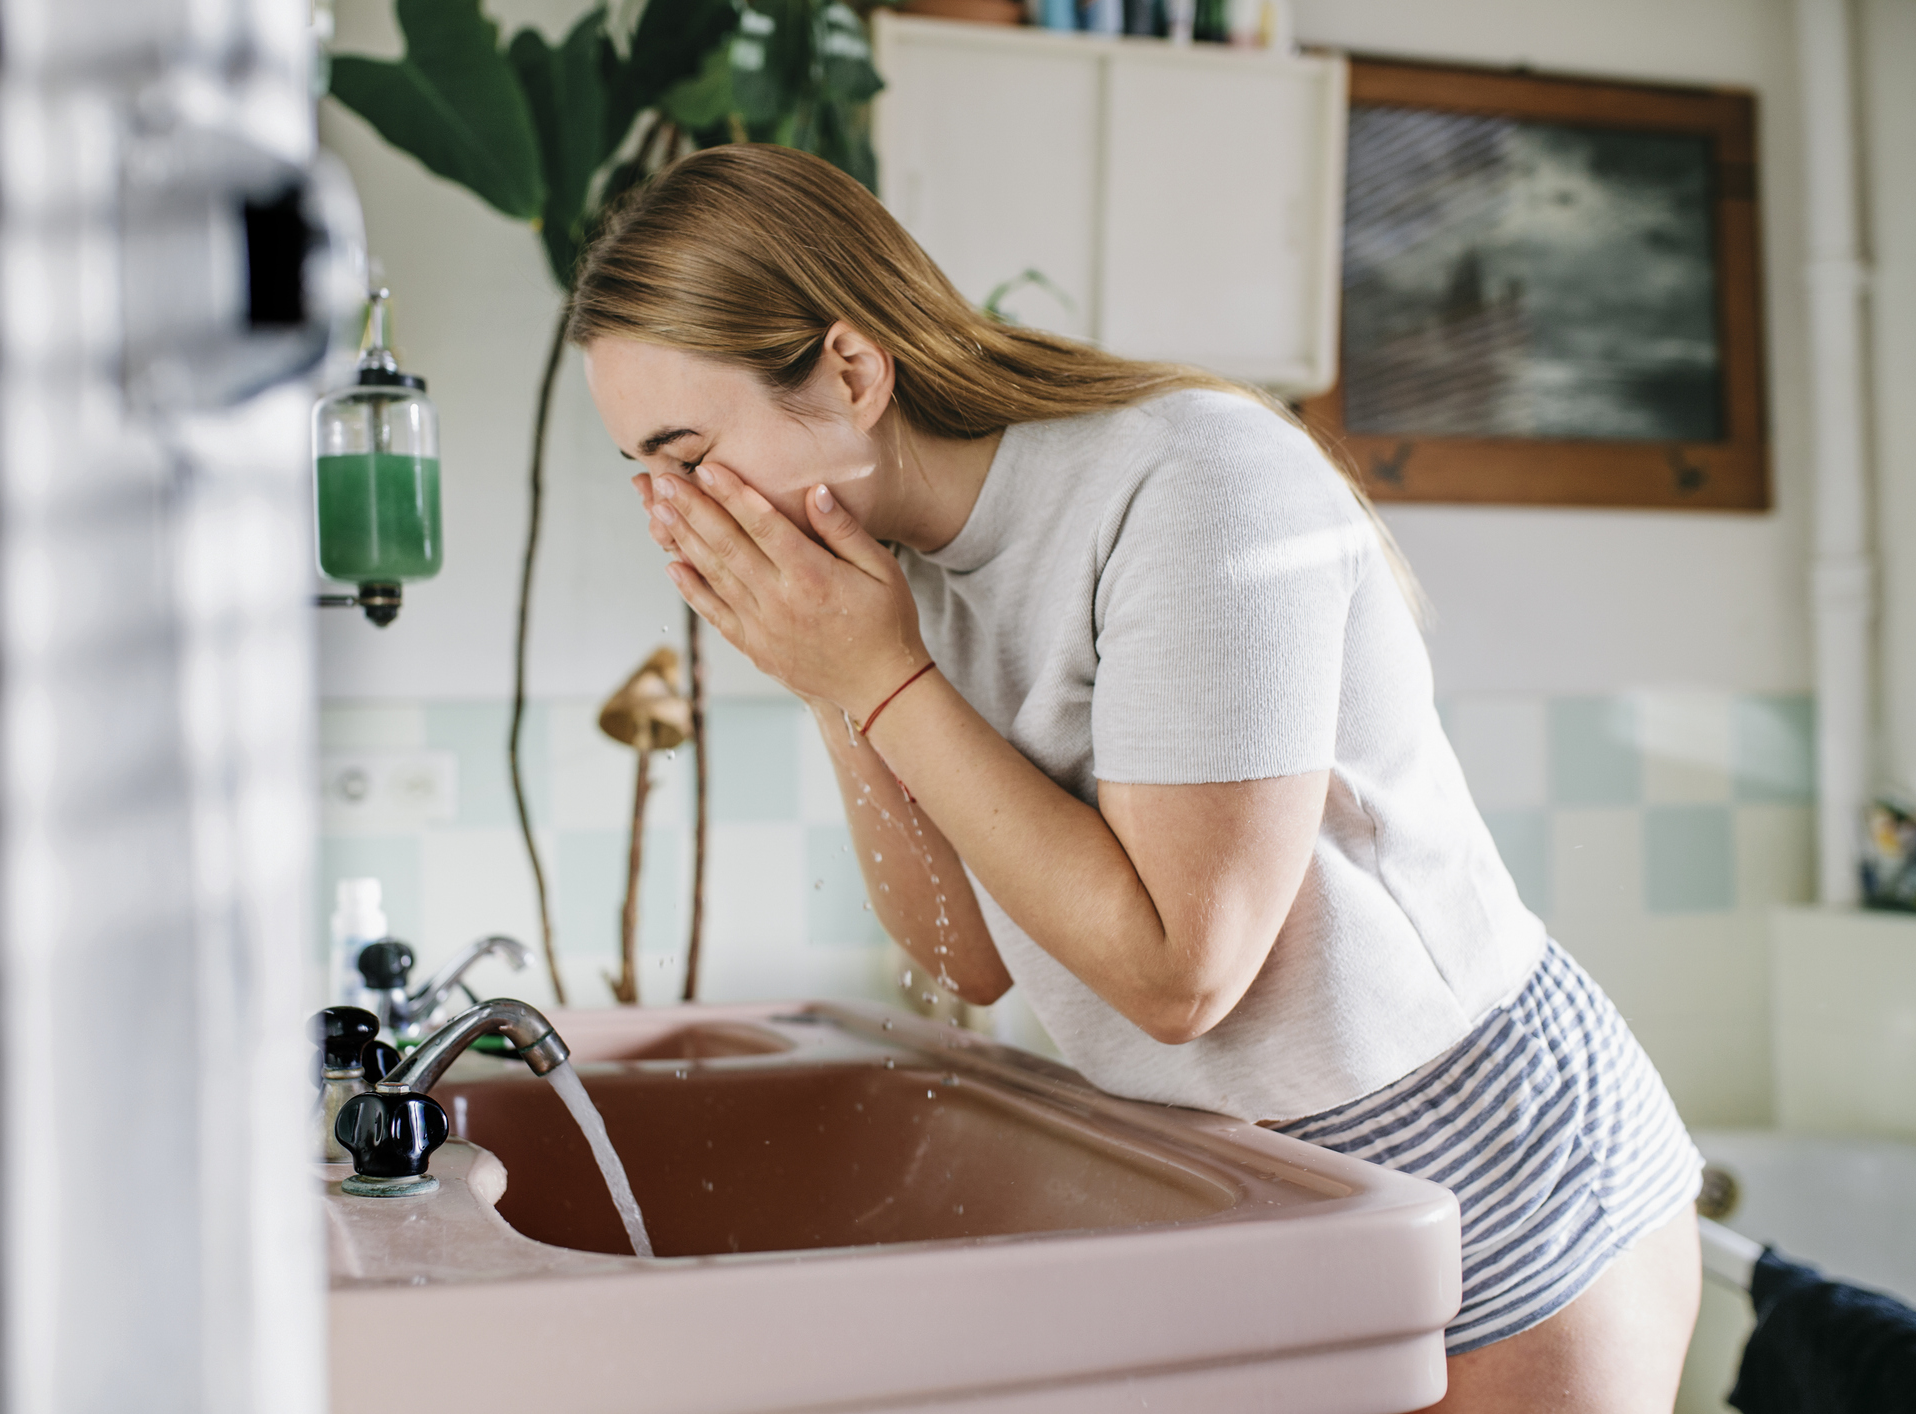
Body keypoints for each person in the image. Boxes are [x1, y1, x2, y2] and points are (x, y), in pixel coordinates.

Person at [568, 143, 1703, 1412]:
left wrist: (881, 676)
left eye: (687, 451)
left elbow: (1183, 972)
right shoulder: (894, 578)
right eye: (645, 472)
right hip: (1260, 1197)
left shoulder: (1193, 481)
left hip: (1489, 1170)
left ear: (848, 371)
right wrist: (844, 679)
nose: (672, 509)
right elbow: (969, 960)